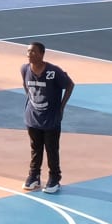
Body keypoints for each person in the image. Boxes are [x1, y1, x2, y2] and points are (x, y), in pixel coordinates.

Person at [21, 42, 75, 195]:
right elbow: (26, 86)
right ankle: (34, 176)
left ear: (42, 54)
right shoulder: (24, 69)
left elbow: (70, 85)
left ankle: (54, 178)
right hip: (33, 118)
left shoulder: (53, 71)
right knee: (35, 149)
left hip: (50, 118)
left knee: (51, 149)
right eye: (28, 51)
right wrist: (31, 102)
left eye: (33, 52)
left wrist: (61, 106)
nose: (29, 54)